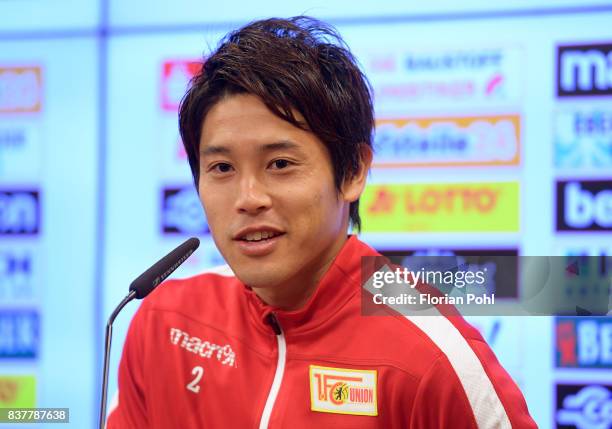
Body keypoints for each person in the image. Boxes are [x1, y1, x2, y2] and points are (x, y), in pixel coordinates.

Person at [106, 16, 537, 428]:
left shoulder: (433, 357)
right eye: (221, 168)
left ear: (352, 172)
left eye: (279, 163)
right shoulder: (165, 321)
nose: (248, 199)